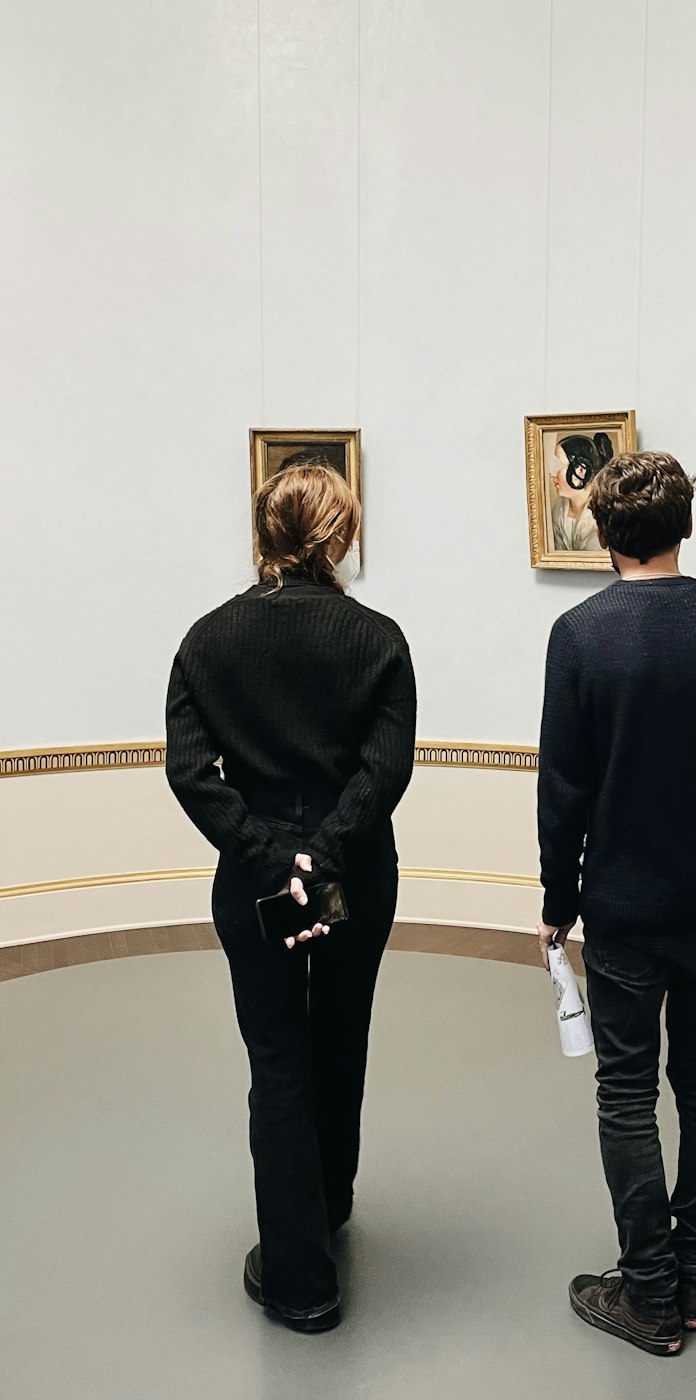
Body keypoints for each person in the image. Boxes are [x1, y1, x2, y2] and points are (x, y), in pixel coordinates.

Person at [536, 451, 696, 1357]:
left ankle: (648, 1293)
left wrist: (559, 902)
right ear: (685, 525)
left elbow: (563, 790)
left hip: (628, 911)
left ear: (603, 533)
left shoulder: (582, 636)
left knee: (628, 1093)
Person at [165, 460, 416, 1332]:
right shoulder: (378, 638)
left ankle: (300, 1277)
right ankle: (330, 1204)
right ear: (339, 537)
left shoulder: (208, 639)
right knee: (341, 1039)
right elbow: (385, 774)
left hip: (253, 884)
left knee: (277, 1062)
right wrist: (319, 860)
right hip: (355, 877)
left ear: (265, 534)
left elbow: (192, 774)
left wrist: (273, 862)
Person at [550, 432, 613, 551]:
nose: (552, 474)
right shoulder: (558, 509)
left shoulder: (604, 514)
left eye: (558, 466)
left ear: (581, 470)